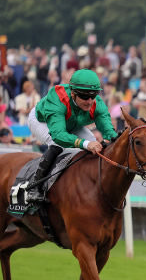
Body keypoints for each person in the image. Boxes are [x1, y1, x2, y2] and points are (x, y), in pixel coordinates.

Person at [26, 68, 118, 203]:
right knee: (59, 145)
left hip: (72, 123)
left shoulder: (97, 104)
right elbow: (58, 135)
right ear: (73, 94)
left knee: (93, 142)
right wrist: (85, 144)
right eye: (85, 96)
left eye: (93, 95)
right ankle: (34, 186)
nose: (89, 101)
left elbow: (110, 133)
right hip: (42, 121)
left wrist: (117, 140)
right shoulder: (58, 98)